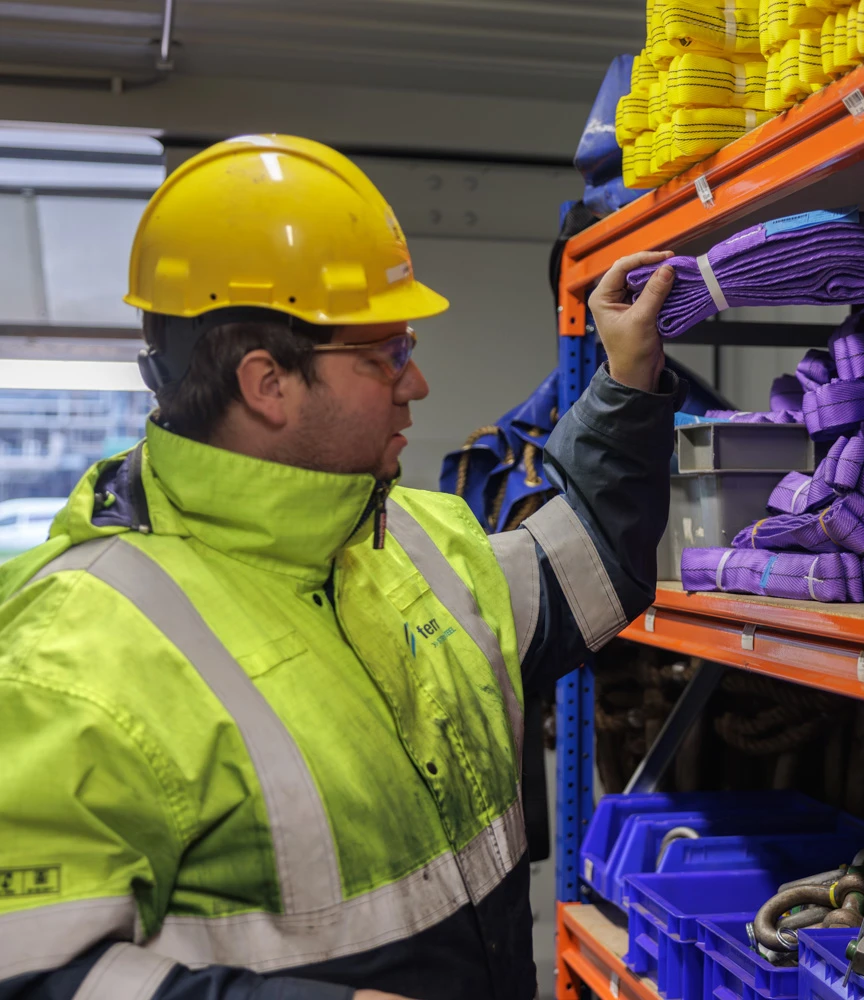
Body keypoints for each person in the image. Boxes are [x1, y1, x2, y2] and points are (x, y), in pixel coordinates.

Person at [0, 134, 679, 999]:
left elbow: (586, 564)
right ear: (266, 383)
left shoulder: (415, 541)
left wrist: (627, 376)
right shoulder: (71, 660)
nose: (417, 382)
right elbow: (31, 974)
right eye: (385, 353)